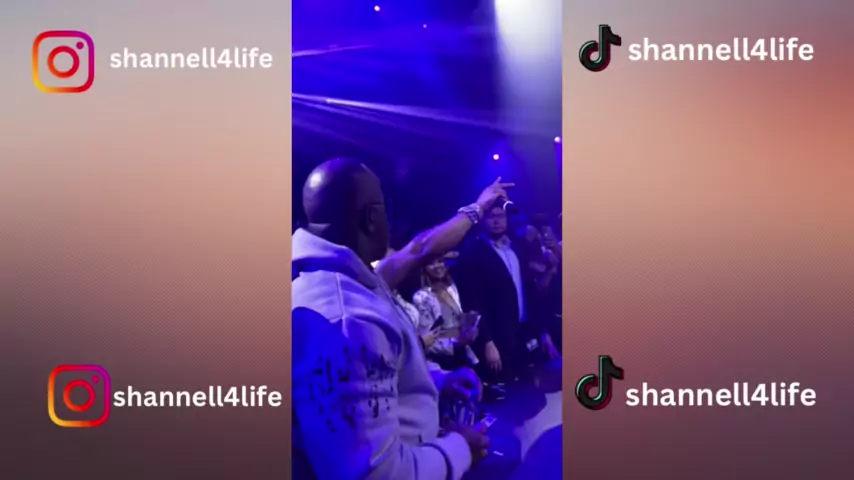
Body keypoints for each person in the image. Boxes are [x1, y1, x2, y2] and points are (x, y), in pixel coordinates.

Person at [292, 158, 509, 480]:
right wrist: (461, 448)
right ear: (370, 218)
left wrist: (436, 380)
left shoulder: (350, 278)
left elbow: (375, 376)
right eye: (384, 207)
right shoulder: (347, 319)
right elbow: (377, 473)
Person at [455, 205, 559, 388]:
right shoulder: (474, 252)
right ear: (482, 221)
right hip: (496, 337)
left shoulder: (516, 248)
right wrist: (487, 342)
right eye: (491, 217)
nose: (496, 221)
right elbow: (472, 301)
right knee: (505, 390)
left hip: (523, 332)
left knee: (528, 388)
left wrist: (542, 331)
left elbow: (531, 292)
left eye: (500, 216)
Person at [412, 254, 480, 371]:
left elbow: (458, 321)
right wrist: (456, 343)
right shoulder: (421, 298)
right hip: (440, 363)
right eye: (431, 263)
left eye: (440, 261)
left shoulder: (452, 288)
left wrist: (470, 328)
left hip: (461, 356)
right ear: (423, 268)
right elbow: (426, 341)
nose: (437, 266)